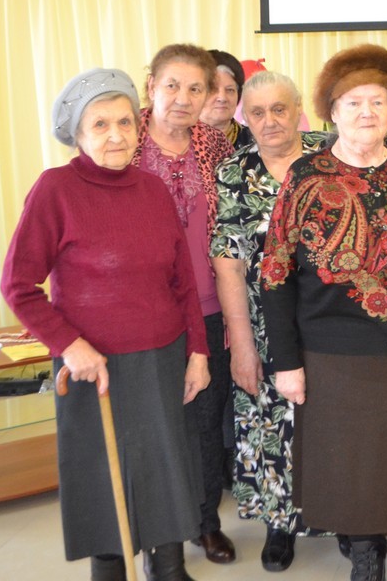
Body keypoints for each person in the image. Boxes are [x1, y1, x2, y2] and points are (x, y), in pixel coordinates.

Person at [0, 68, 210, 581]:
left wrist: (198, 353)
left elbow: (183, 281)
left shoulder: (153, 189)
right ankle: (110, 570)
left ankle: (168, 567)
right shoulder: (55, 189)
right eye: (99, 124)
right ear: (78, 134)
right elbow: (18, 285)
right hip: (92, 363)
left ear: (138, 128)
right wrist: (69, 344)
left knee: (165, 465)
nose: (115, 135)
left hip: (161, 355)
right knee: (101, 475)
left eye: (124, 122)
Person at [261, 44, 387, 581]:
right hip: (336, 357)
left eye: (378, 102)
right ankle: (366, 562)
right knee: (354, 474)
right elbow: (275, 274)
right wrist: (286, 362)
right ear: (332, 111)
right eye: (353, 102)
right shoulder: (306, 177)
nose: (367, 112)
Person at [210, 71, 333, 572]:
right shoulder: (234, 170)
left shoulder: (332, 156)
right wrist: (242, 344)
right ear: (245, 117)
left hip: (333, 320)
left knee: (335, 418)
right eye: (257, 113)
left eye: (279, 109)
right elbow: (228, 263)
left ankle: (345, 516)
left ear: (299, 108)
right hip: (263, 324)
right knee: (269, 420)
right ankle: (280, 524)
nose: (269, 121)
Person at [132, 43, 236, 564]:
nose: (183, 98)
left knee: (206, 424)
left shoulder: (214, 145)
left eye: (196, 88)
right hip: (144, 313)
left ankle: (204, 522)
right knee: (153, 426)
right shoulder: (122, 140)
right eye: (172, 85)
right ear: (151, 85)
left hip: (209, 306)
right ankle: (156, 532)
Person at [200, 49, 252, 149]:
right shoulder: (177, 141)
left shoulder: (256, 141)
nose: (222, 98)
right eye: (213, 89)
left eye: (230, 90)